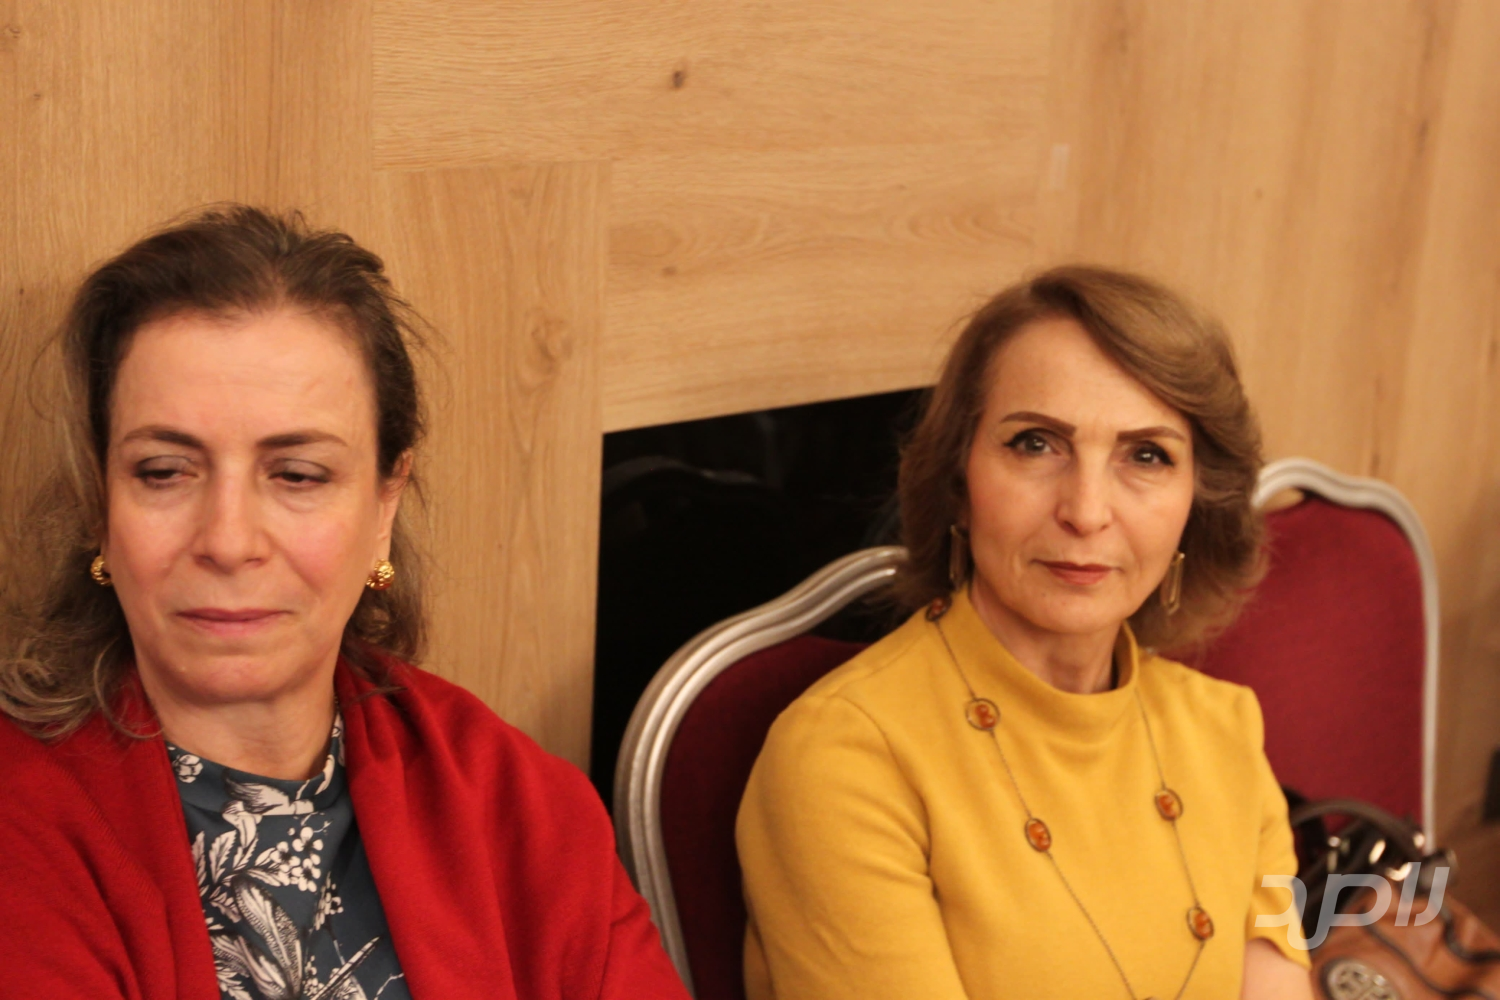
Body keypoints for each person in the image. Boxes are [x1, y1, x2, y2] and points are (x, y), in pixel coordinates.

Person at [0, 206, 690, 1000]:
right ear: (99, 504)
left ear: (384, 504)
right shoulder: (21, 827)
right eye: (163, 472)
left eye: (297, 475)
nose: (228, 540)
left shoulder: (521, 805)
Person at [737, 267, 1314, 1000]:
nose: (1086, 511)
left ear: (1195, 506)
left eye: (1146, 455)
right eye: (1036, 444)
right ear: (958, 481)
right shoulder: (843, 759)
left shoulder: (1224, 730)